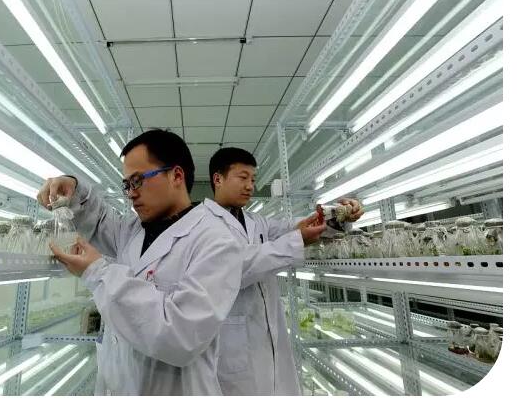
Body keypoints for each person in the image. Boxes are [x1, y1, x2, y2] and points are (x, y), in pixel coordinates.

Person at [36, 129, 242, 396]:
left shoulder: (217, 241)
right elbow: (98, 220)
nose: (131, 193)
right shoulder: (132, 229)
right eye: (127, 185)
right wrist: (73, 188)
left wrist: (98, 273)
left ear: (177, 176)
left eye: (138, 181)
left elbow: (181, 337)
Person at [203, 147, 363, 396]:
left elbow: (294, 229)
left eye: (253, 179)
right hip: (229, 342)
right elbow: (236, 268)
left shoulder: (256, 221)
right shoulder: (202, 224)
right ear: (218, 179)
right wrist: (297, 240)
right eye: (243, 177)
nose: (250, 186)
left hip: (267, 335)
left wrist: (337, 216)